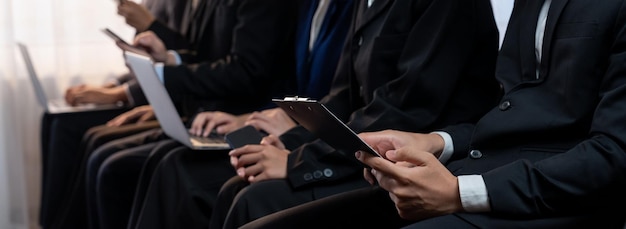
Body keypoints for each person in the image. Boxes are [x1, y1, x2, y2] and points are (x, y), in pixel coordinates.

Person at [239, 0, 626, 228]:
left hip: (553, 200)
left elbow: (613, 154)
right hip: (481, 170)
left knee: (257, 200)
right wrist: (436, 141)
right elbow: (511, 115)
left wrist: (460, 193)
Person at [210, 0, 503, 228]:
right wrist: (291, 142)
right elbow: (344, 98)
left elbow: (406, 112)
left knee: (256, 200)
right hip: (367, 155)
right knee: (234, 189)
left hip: (418, 166)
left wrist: (297, 163)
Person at [124, 0, 355, 228]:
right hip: (276, 121)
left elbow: (349, 96)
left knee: (189, 173)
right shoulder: (309, 6)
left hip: (318, 136)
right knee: (169, 160)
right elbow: (287, 78)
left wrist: (295, 123)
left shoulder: (352, 8)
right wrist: (252, 117)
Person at [77, 0, 298, 228]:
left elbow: (247, 71)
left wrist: (164, 72)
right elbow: (203, 54)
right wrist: (169, 59)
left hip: (239, 115)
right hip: (207, 112)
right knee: (114, 154)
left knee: (146, 165)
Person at [38, 0, 189, 228]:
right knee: (53, 119)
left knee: (84, 134)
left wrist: (122, 93)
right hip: (162, 95)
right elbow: (145, 60)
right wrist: (113, 85)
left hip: (177, 99)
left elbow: (188, 58)